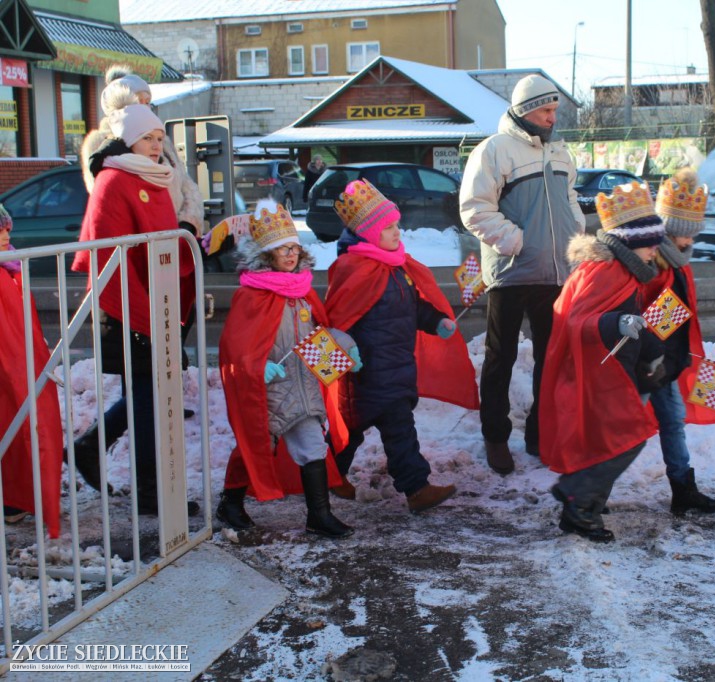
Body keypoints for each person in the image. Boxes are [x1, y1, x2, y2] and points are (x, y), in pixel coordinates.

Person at [71, 104, 198, 516]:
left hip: (153, 300)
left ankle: (93, 448)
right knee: (148, 395)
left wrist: (196, 239)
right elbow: (110, 257)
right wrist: (143, 315)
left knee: (152, 391)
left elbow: (159, 244)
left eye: (160, 139)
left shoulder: (153, 178)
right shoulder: (113, 179)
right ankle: (149, 490)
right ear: (128, 139)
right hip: (127, 304)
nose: (156, 146)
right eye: (148, 138)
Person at [325, 179, 478, 513]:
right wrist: (345, 353)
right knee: (393, 432)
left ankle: (328, 474)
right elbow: (337, 321)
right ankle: (416, 489)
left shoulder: (398, 268)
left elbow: (413, 307)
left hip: (395, 367)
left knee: (358, 432)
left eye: (397, 225)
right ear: (368, 233)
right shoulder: (354, 269)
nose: (398, 232)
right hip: (368, 373)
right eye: (389, 227)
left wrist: (436, 321)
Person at [459, 74, 586, 475]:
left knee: (552, 359)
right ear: (528, 108)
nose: (552, 118)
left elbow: (570, 201)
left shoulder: (561, 152)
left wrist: (575, 237)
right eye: (547, 110)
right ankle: (495, 437)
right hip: (511, 273)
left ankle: (539, 433)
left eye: (554, 111)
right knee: (501, 357)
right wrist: (516, 241)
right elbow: (475, 209)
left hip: (555, 274)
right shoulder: (494, 150)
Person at [216, 200, 353, 537]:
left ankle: (318, 515)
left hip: (301, 385)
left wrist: (342, 353)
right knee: (255, 444)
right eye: (282, 250)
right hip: (266, 390)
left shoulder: (303, 292)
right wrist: (256, 368)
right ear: (266, 255)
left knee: (312, 446)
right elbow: (236, 345)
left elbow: (314, 335)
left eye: (294, 247)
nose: (291, 255)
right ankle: (230, 502)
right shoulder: (252, 296)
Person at [541, 181, 666, 543]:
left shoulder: (625, 271)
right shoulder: (603, 271)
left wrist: (651, 350)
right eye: (649, 242)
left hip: (614, 370)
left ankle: (583, 509)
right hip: (596, 374)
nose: (655, 249)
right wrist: (617, 323)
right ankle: (577, 496)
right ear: (630, 242)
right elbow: (576, 322)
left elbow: (633, 320)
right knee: (628, 438)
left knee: (610, 440)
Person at [647, 169, 715, 515]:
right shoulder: (656, 265)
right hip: (647, 363)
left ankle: (683, 489)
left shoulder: (679, 265)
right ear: (671, 232)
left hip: (667, 361)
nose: (691, 242)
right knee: (624, 428)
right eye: (686, 235)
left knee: (674, 422)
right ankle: (590, 492)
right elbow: (650, 317)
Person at [80, 65, 204, 237]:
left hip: (174, 237)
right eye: (140, 101)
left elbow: (187, 186)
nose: (146, 107)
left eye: (148, 102)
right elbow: (108, 197)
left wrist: (188, 223)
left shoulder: (163, 143)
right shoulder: (102, 146)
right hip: (141, 240)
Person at [0, 204, 63, 537]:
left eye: (7, 228)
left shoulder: (10, 268)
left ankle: (18, 497)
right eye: (0, 230)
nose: (7, 235)